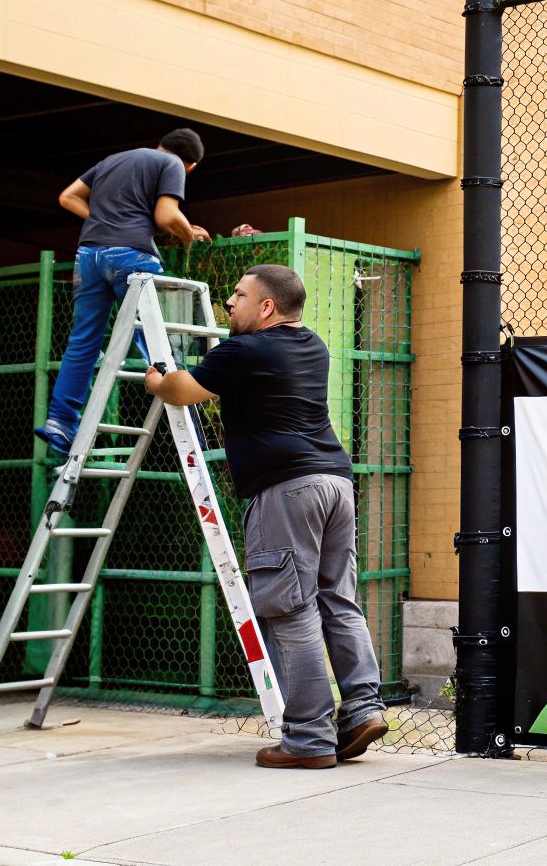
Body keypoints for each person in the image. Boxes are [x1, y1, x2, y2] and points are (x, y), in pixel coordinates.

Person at [143, 265, 388, 768]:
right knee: (337, 600)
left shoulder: (243, 351)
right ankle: (363, 708)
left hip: (285, 490)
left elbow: (182, 391)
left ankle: (308, 741)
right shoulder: (313, 345)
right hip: (335, 483)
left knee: (289, 610)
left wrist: (156, 380)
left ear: (267, 307)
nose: (230, 303)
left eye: (238, 295)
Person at [34, 128, 210, 454]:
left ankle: (60, 421)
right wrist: (187, 234)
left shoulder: (113, 160)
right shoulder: (171, 165)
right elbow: (166, 214)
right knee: (156, 340)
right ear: (191, 166)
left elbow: (68, 197)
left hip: (88, 256)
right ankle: (190, 421)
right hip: (132, 255)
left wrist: (107, 221)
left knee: (83, 341)